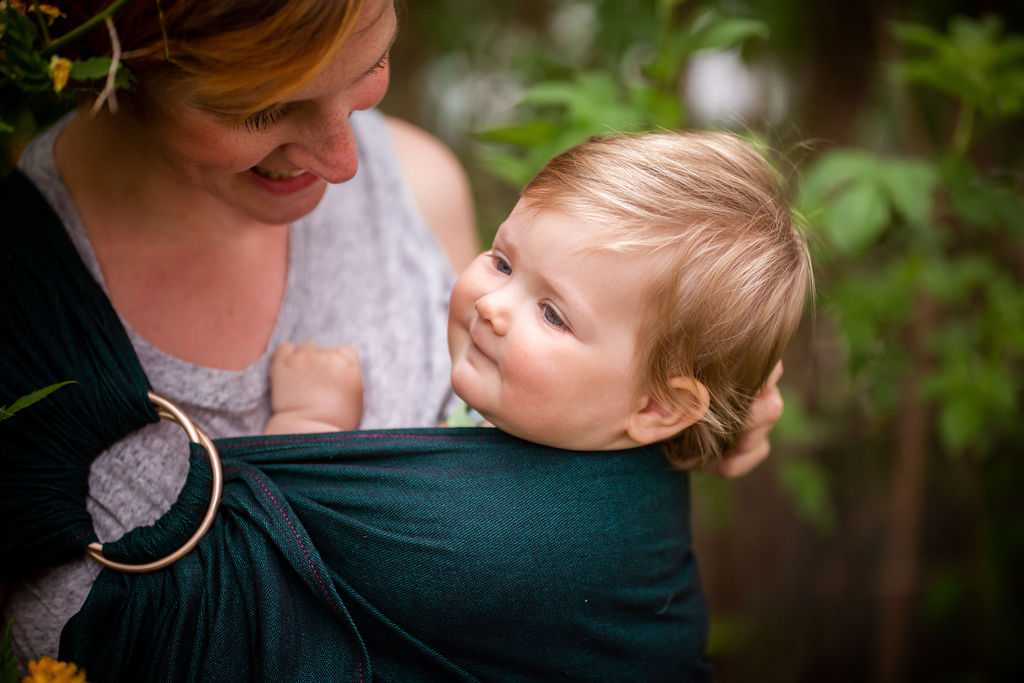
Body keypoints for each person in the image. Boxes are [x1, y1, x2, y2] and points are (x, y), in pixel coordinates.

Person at [1, 0, 784, 665]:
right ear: (117, 63)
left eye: (367, 69)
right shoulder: (26, 308)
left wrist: (714, 399)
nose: (344, 162)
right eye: (261, 109)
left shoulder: (421, 187)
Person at [265, 130, 810, 474]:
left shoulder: (511, 515)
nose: (492, 305)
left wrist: (308, 424)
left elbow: (325, 568)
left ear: (658, 409)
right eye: (502, 263)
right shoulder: (599, 430)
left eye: (552, 314)